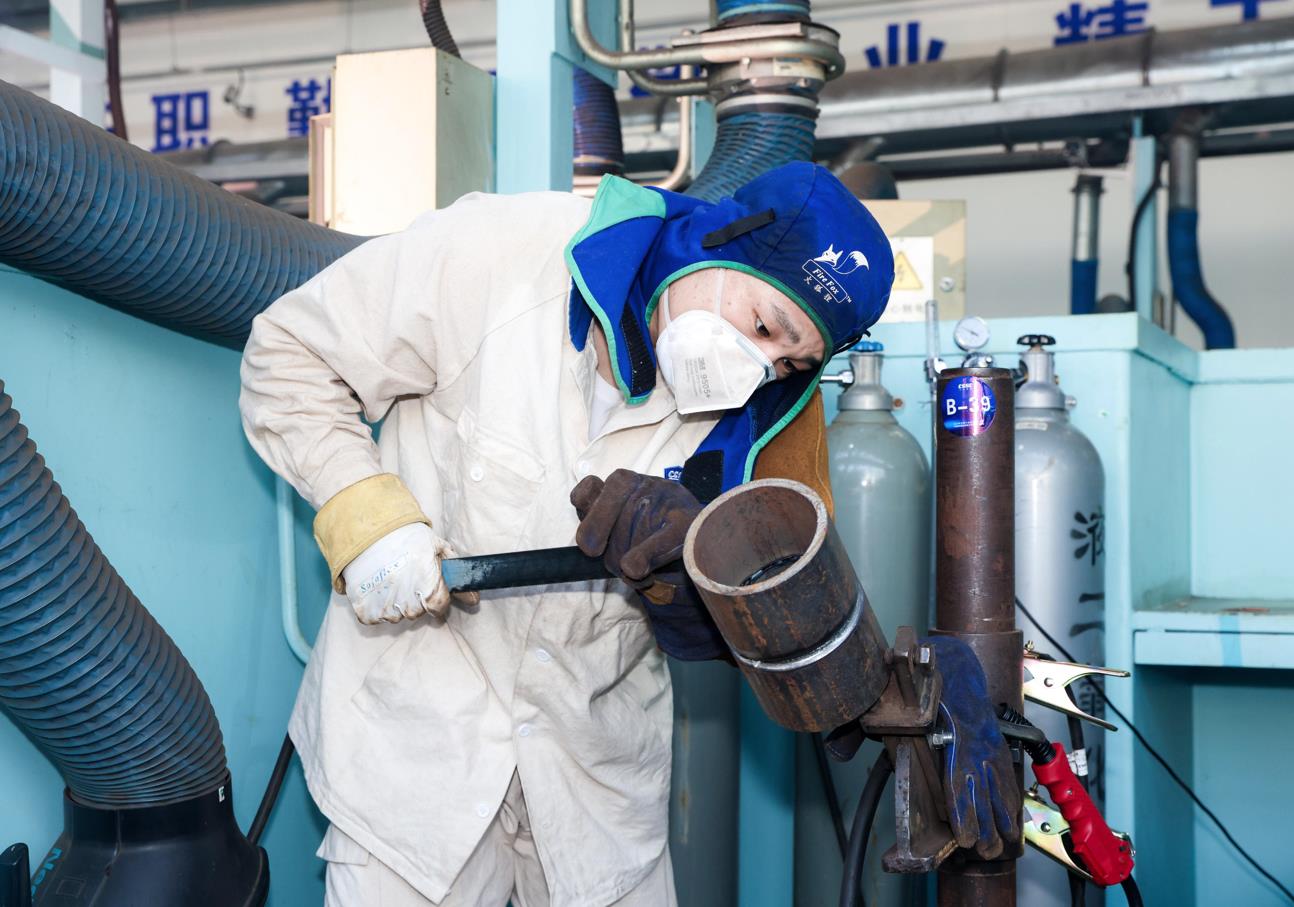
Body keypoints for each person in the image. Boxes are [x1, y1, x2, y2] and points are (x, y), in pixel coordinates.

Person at [240, 161, 1016, 907]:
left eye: (790, 361)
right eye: (762, 325)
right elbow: (290, 354)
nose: (759, 367)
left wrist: (691, 582)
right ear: (719, 242)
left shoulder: (775, 419)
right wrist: (369, 518)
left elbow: (786, 621)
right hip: (414, 757)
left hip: (595, 786)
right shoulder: (503, 253)